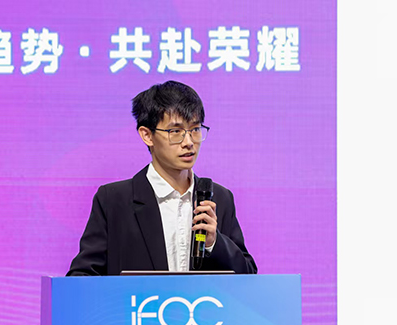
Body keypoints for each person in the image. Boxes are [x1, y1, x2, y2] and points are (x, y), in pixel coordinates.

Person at [67, 81, 257, 276]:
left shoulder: (219, 198)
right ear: (147, 135)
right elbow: (82, 276)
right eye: (175, 132)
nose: (189, 142)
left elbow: (248, 276)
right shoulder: (114, 200)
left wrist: (214, 243)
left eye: (195, 129)